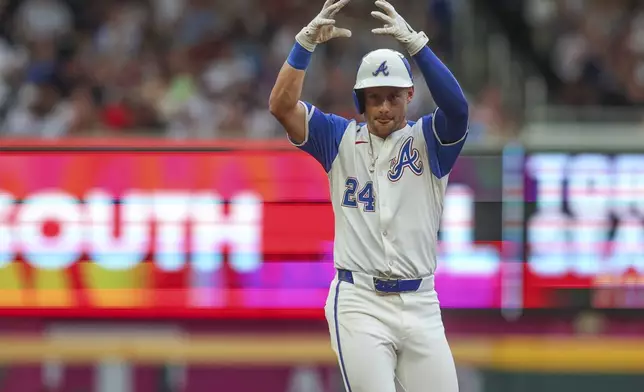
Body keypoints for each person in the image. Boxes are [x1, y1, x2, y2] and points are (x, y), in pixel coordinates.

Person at [268, 1, 469, 391]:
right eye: (374, 97)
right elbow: (281, 106)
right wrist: (303, 45)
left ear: (409, 95)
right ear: (361, 100)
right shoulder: (337, 138)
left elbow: (458, 110)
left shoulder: (429, 141)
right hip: (360, 301)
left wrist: (417, 46)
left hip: (421, 302)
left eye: (393, 96)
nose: (383, 107)